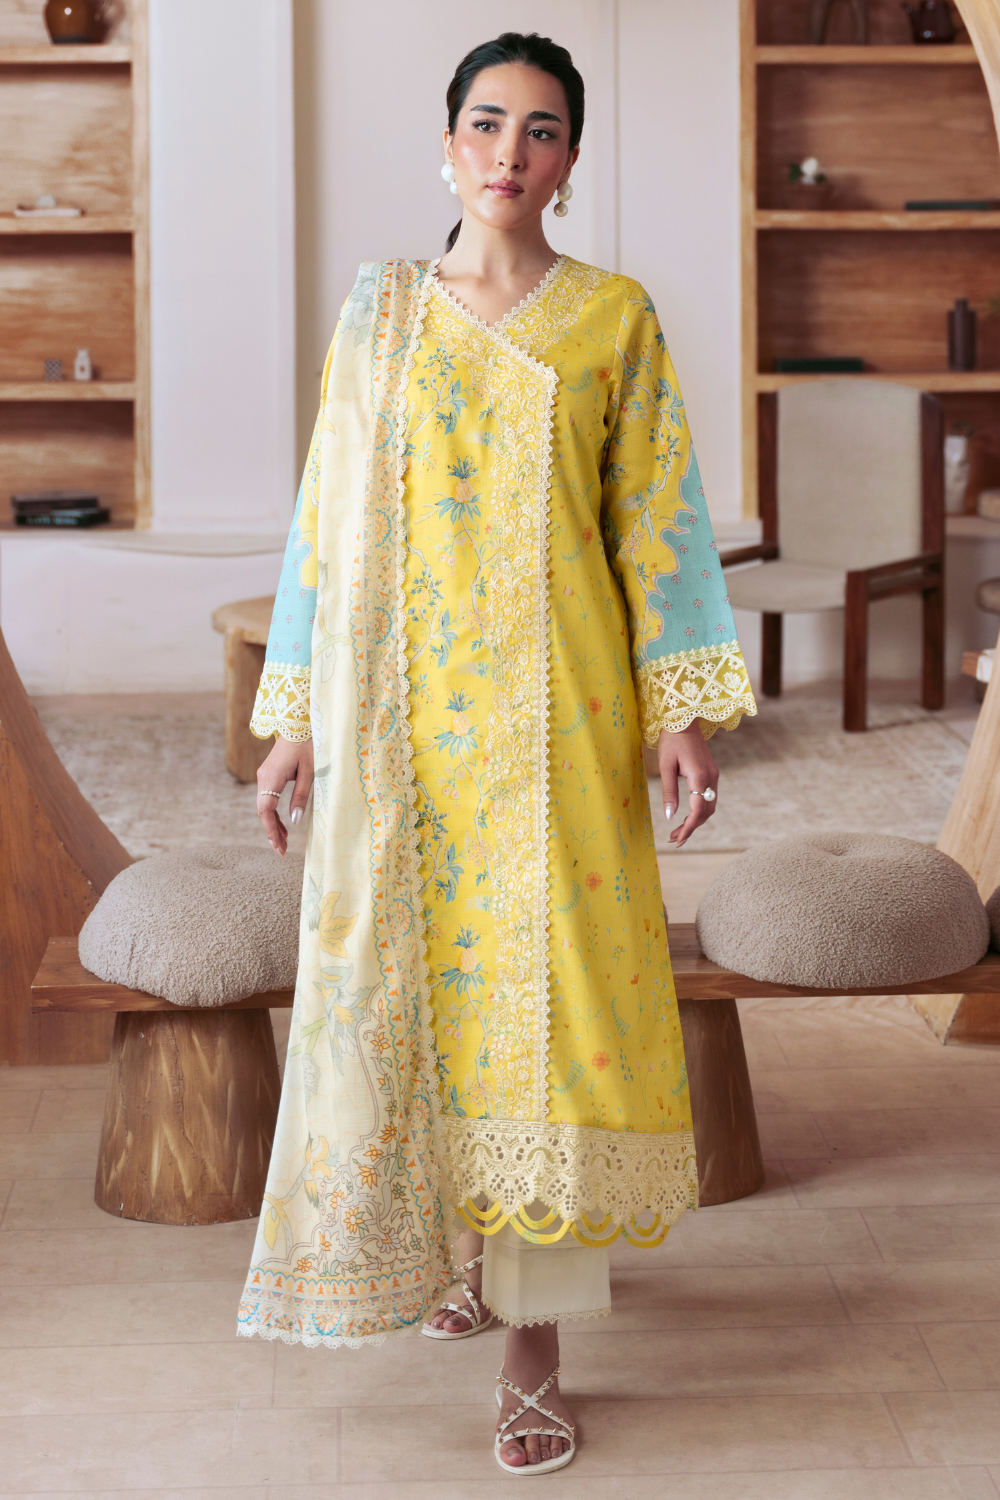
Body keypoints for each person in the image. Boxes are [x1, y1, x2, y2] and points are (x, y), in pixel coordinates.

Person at [237, 30, 756, 1476]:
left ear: (571, 160)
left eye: (540, 129)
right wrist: (297, 719)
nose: (510, 152)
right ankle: (451, 1256)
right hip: (402, 730)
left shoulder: (613, 320)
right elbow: (323, 525)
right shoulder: (382, 314)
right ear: (447, 143)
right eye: (486, 122)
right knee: (424, 990)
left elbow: (657, 524)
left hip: (559, 729)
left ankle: (535, 1345)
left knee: (552, 1017)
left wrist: (679, 712)